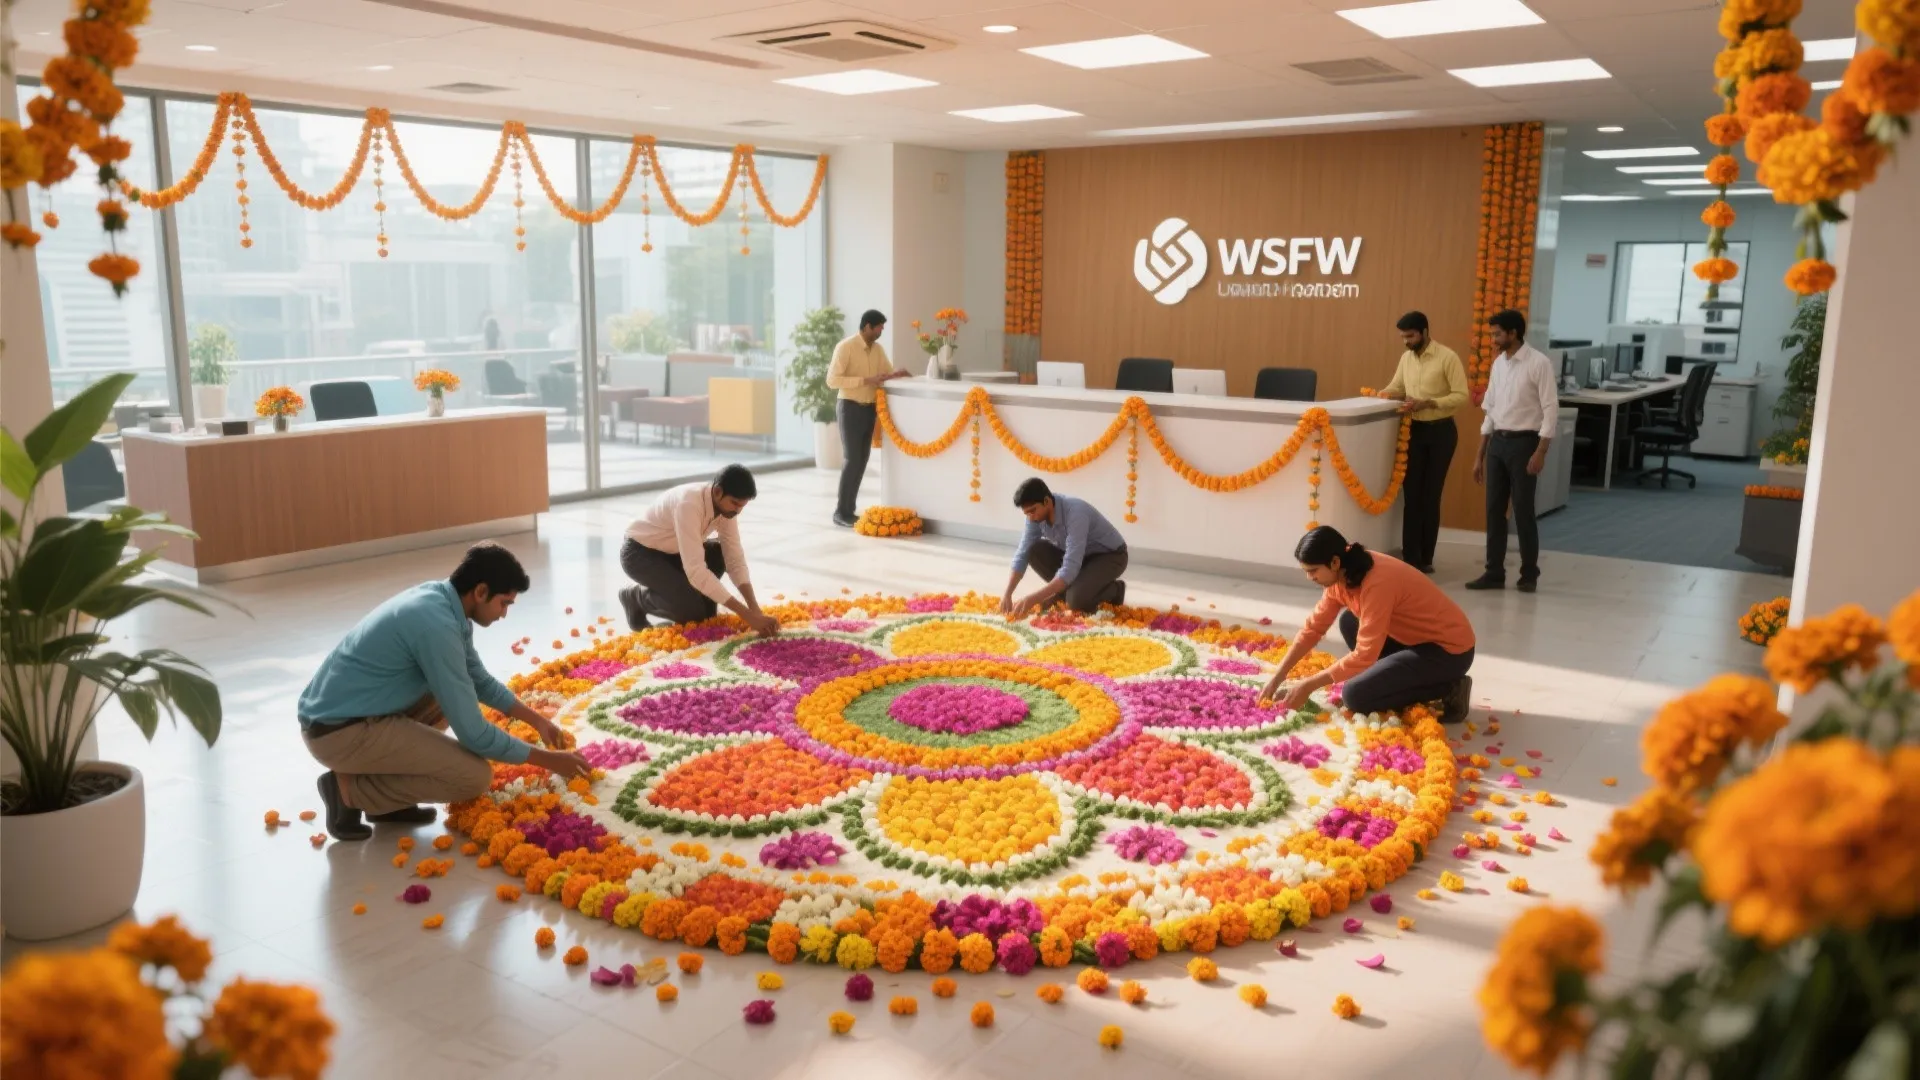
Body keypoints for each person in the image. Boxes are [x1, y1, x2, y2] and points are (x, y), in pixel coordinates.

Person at [299, 543, 591, 841]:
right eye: (504, 603)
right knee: (474, 777)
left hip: (348, 716)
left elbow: (478, 679)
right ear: (480, 592)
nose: (504, 614)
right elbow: (474, 734)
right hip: (338, 733)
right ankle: (347, 792)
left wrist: (537, 721)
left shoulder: (443, 603)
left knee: (448, 694)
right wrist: (550, 761)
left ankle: (386, 805)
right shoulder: (436, 627)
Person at [1259, 527, 1475, 723]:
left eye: (1313, 571)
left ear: (1334, 562)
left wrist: (1308, 685)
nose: (1309, 577)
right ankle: (1390, 677)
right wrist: (1277, 678)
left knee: (1355, 696)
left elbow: (1365, 655)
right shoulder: (1341, 575)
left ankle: (1449, 688)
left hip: (1448, 651)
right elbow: (1313, 629)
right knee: (1349, 622)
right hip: (1414, 640)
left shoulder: (1377, 582)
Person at [617, 464, 780, 636]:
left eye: (742, 506)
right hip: (639, 553)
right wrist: (746, 615)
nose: (738, 511)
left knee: (719, 556)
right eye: (735, 503)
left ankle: (696, 605)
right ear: (717, 491)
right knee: (691, 613)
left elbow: (734, 558)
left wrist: (755, 610)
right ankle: (635, 597)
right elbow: (696, 571)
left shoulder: (727, 510)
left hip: (674, 551)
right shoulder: (688, 504)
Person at [1468, 308, 1558, 593]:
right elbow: (1491, 410)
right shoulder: (1499, 365)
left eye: (1497, 334)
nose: (1493, 339)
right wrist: (1480, 454)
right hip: (1498, 443)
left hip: (1525, 444)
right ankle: (1493, 572)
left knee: (1522, 510)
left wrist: (1541, 450)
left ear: (1513, 333)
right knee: (1494, 510)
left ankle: (1529, 573)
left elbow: (1550, 408)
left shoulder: (1538, 363)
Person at [1377, 310, 1468, 574]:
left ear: (1425, 332)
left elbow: (1461, 396)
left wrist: (1429, 402)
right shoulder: (1406, 358)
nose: (1406, 341)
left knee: (1430, 496)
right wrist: (1379, 396)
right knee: (1412, 495)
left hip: (1441, 433)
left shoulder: (1447, 357)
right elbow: (1396, 387)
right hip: (1413, 432)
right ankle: (1410, 558)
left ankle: (1426, 558)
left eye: (1411, 336)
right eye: (1404, 337)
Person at [1000, 477, 1129, 617]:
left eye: (1032, 511)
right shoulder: (1034, 517)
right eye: (1027, 513)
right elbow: (1023, 552)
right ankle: (1067, 591)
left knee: (1076, 602)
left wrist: (1035, 599)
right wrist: (1007, 594)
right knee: (1033, 550)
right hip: (1080, 558)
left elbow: (1070, 567)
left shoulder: (1076, 513)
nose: (1030, 517)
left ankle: (1116, 590)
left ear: (1047, 501)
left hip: (1110, 556)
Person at [827, 309, 909, 528]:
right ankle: (840, 512)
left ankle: (849, 510)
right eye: (879, 327)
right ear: (867, 327)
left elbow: (884, 375)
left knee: (862, 461)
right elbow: (832, 380)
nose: (881, 331)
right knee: (852, 459)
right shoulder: (845, 347)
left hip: (869, 409)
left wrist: (896, 374)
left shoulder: (878, 350)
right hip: (849, 408)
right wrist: (865, 380)